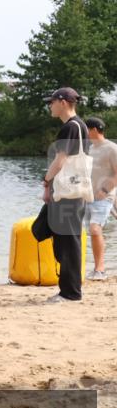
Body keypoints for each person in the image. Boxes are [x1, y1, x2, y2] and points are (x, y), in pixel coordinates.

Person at [42, 88, 90, 301]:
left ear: (62, 102)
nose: (49, 106)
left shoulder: (70, 127)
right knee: (66, 239)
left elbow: (60, 160)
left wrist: (46, 181)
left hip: (68, 194)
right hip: (74, 192)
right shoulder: (79, 126)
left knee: (68, 242)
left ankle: (70, 292)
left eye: (51, 102)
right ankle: (69, 290)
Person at [86, 116, 117, 280]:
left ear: (94, 130)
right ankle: (95, 268)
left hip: (105, 195)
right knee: (92, 231)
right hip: (89, 196)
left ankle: (100, 270)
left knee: (95, 228)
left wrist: (105, 190)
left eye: (86, 130)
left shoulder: (112, 148)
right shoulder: (90, 149)